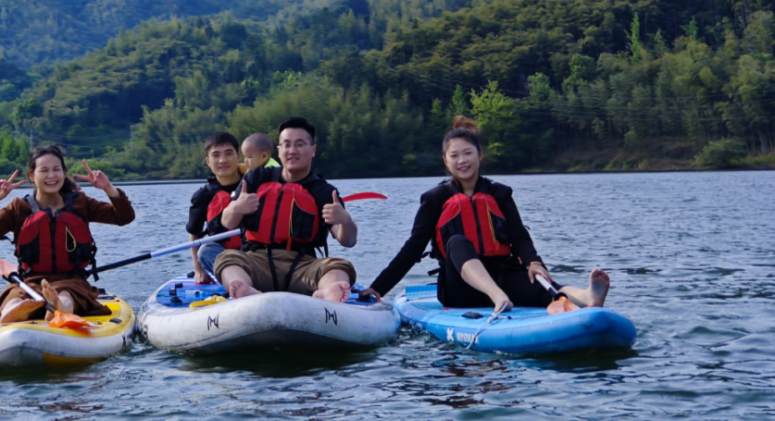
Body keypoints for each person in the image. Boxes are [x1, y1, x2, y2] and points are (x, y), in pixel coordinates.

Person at [363, 116, 610, 312]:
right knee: (457, 241)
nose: (462, 160)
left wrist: (534, 263)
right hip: (460, 288)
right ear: (446, 161)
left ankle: (587, 296)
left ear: (480, 155)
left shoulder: (500, 194)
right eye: (454, 156)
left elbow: (519, 236)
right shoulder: (435, 199)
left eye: (468, 153)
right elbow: (412, 249)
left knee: (542, 286)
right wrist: (379, 288)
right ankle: (497, 297)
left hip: (504, 275)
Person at [0, 145, 135, 323]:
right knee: (14, 296)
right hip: (30, 282)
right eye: (44, 170)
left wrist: (109, 188)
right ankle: (15, 311)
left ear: (64, 173)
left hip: (72, 280)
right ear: (32, 176)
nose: (51, 175)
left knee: (66, 294)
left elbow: (124, 217)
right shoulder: (19, 208)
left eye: (56, 169)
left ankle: (57, 307)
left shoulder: (81, 204)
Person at [212, 117, 358, 303]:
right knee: (227, 259)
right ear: (279, 150)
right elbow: (227, 221)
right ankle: (244, 288)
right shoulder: (256, 178)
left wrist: (345, 220)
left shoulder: (324, 191)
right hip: (257, 260)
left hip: (303, 265)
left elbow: (348, 241)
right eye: (287, 145)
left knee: (341, 267)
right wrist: (236, 207)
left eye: (299, 144)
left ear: (313, 150)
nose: (292, 151)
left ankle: (326, 292)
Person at [186, 131, 246, 284]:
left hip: (253, 253)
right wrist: (198, 269)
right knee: (205, 250)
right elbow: (195, 233)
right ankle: (237, 281)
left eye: (228, 153)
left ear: (238, 157)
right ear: (208, 161)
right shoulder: (203, 196)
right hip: (223, 257)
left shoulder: (254, 185)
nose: (222, 160)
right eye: (216, 155)